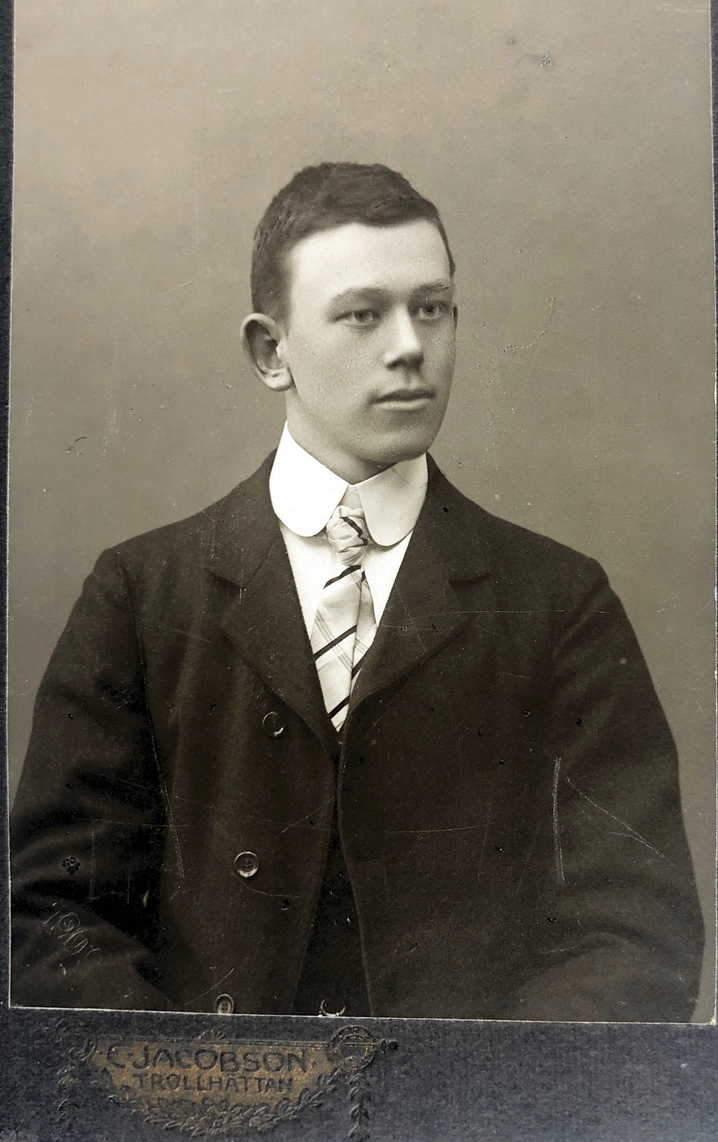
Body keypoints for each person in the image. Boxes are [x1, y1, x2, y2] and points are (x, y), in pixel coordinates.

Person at [11, 162, 704, 1021]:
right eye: (363, 314)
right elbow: (54, 918)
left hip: (468, 1097)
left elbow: (636, 934)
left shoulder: (560, 604)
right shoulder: (141, 596)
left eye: (432, 308)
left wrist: (476, 1092)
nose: (410, 346)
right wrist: (190, 1081)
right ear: (271, 353)